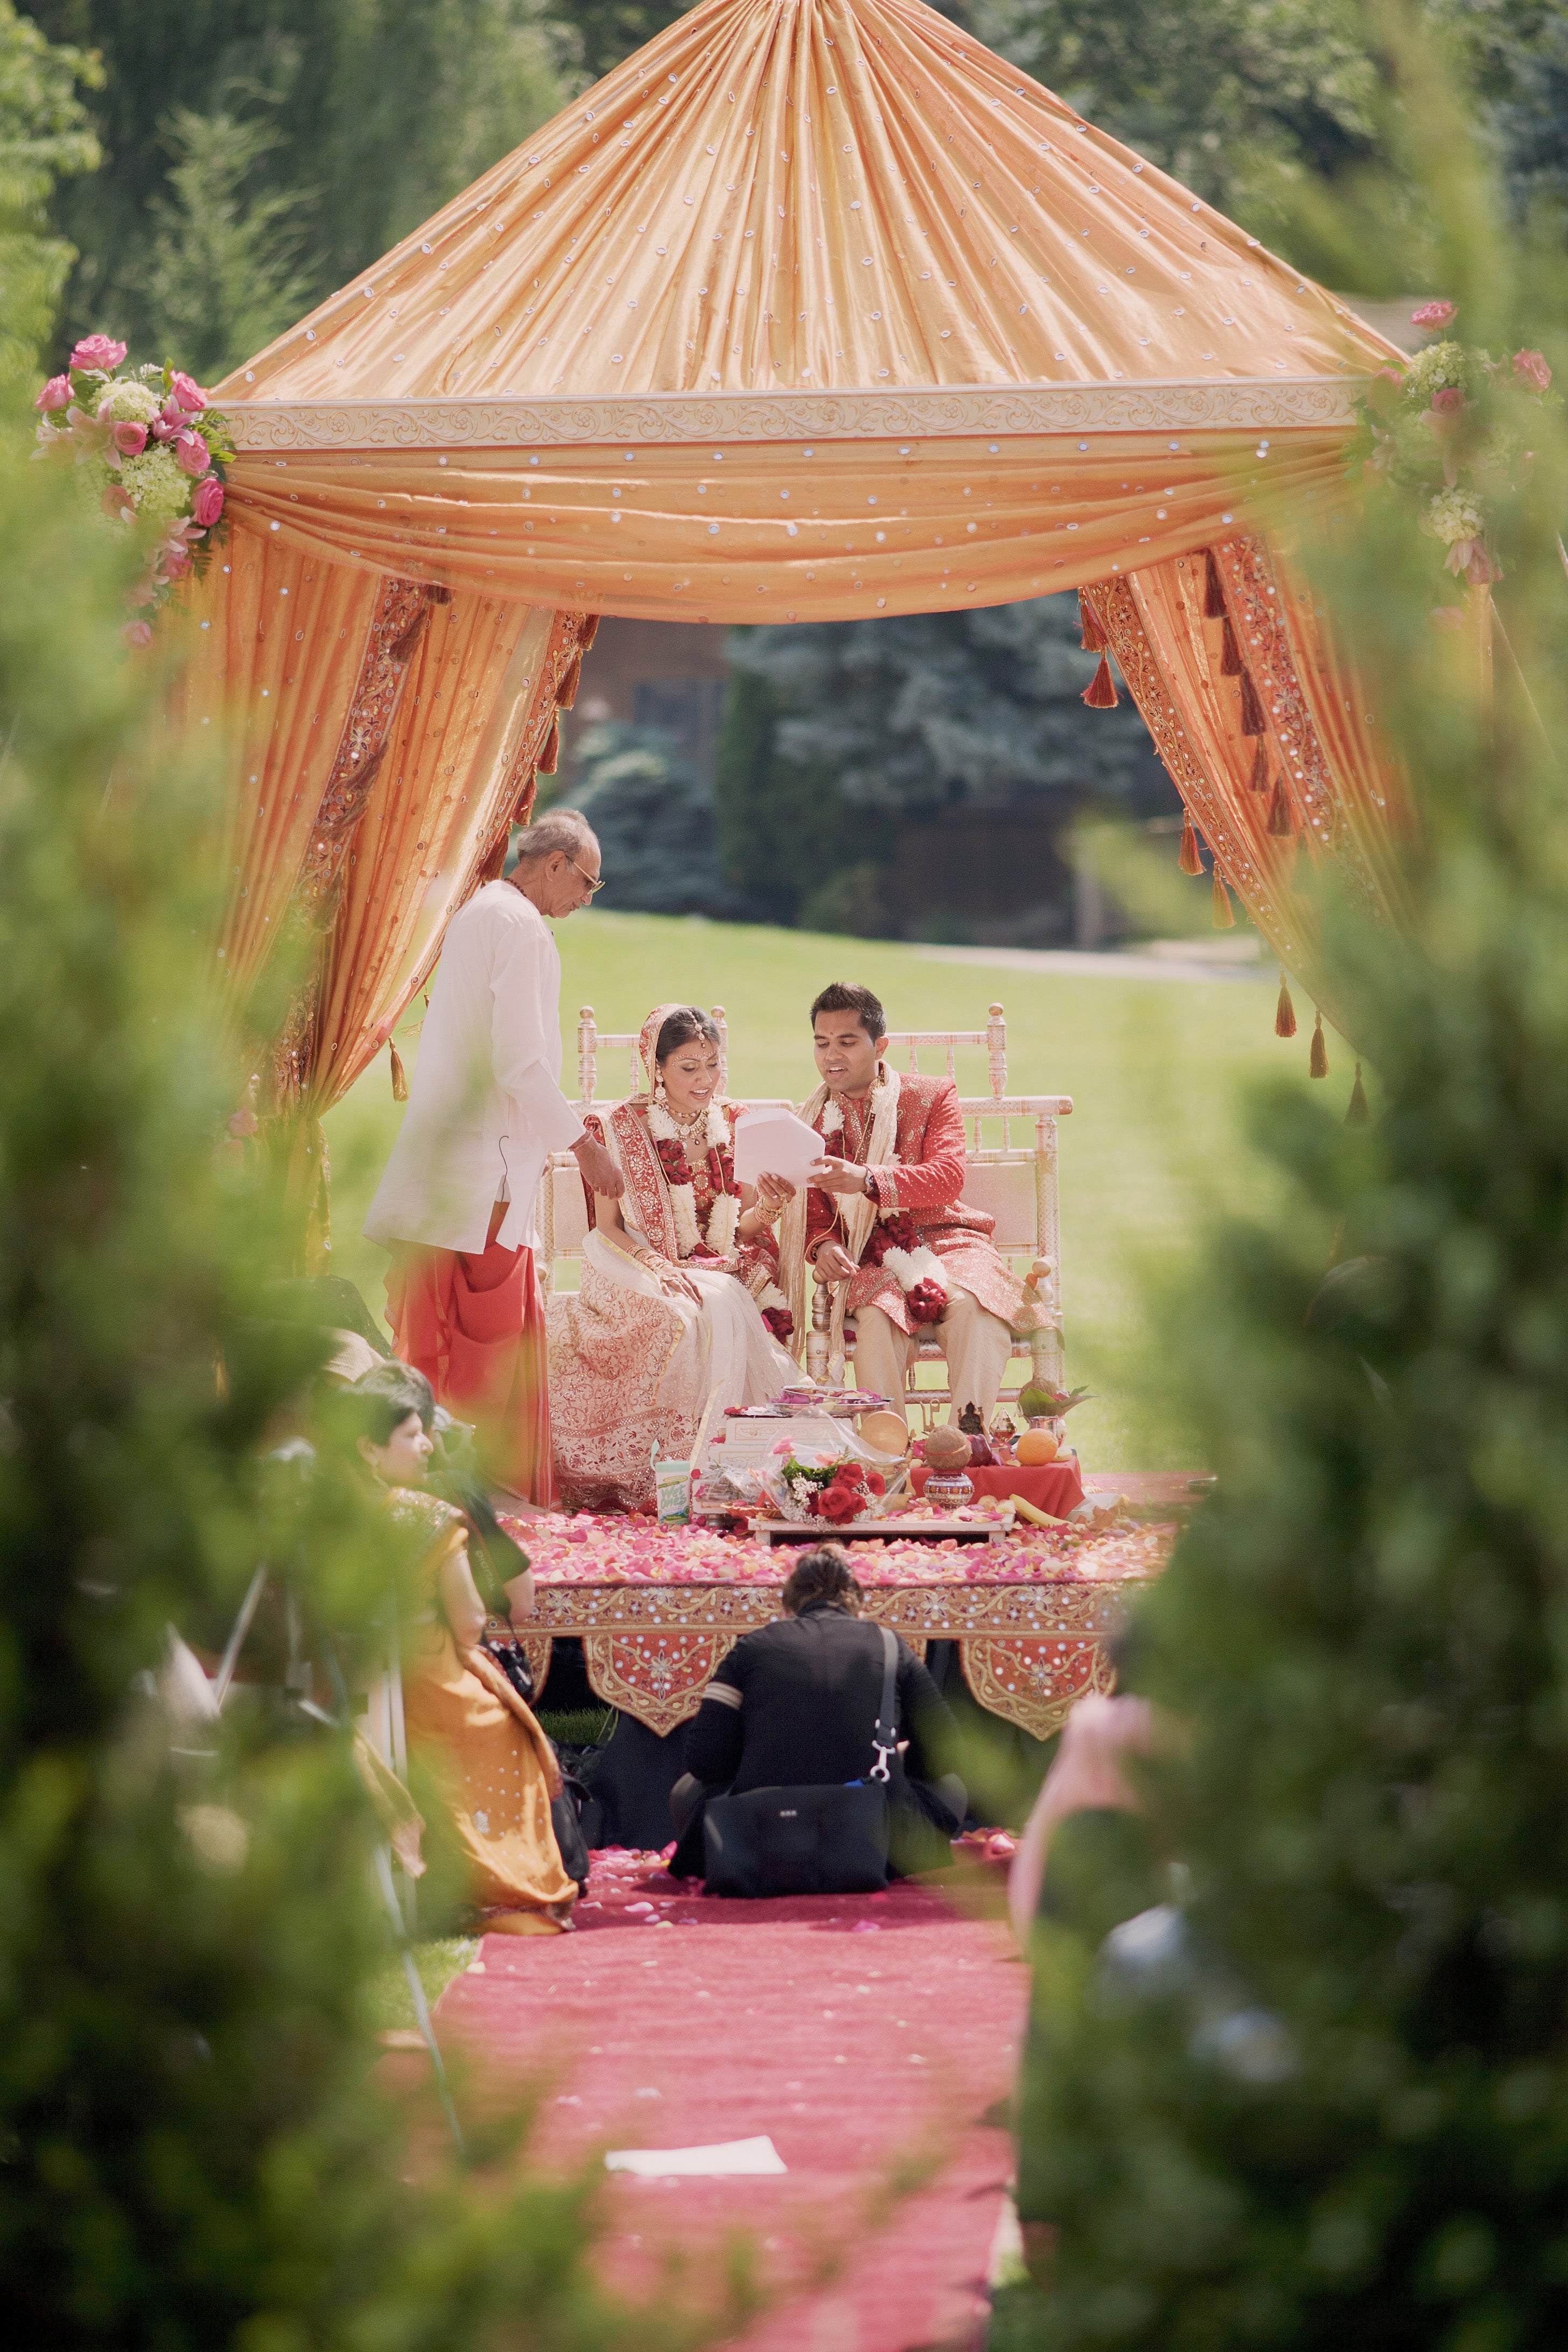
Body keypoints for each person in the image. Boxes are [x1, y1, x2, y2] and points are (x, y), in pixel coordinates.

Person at [363, 809, 625, 1508]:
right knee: (490, 1351)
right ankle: (480, 1497)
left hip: (443, 1167)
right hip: (487, 1174)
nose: (587, 898)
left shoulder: (476, 913)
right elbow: (520, 1064)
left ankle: (411, 1489)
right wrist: (585, 1148)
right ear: (556, 864)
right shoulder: (523, 928)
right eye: (589, 882)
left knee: (430, 1340)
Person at [343, 1363, 577, 1934]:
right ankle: (492, 1881)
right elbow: (471, 1621)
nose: (427, 1444)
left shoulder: (327, 1516)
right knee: (508, 1731)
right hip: (425, 1677)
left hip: (342, 1681)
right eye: (412, 1434)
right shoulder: (426, 1516)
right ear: (369, 1449)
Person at [547, 1003, 800, 1511]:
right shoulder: (616, 1127)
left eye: (713, 1064)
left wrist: (771, 1207)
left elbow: (737, 1230)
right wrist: (659, 1266)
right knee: (694, 1310)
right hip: (627, 1259)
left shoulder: (735, 1123)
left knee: (717, 1298)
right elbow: (608, 1227)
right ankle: (683, 1471)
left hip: (712, 1268)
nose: (705, 1079)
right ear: (657, 1068)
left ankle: (720, 1466)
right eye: (689, 1067)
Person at [779, 981, 1044, 1430]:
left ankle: (965, 1441)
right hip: (871, 1256)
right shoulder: (811, 1121)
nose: (831, 1056)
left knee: (975, 1310)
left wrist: (868, 1179)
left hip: (953, 1243)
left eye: (847, 1042)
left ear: (879, 1046)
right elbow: (817, 1213)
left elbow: (947, 1176)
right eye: (822, 1043)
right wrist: (824, 1247)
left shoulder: (931, 1095)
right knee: (877, 1318)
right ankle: (887, 1449)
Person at [668, 1543, 967, 1881]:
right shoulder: (889, 1646)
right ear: (858, 1604)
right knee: (952, 1787)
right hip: (878, 1840)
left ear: (788, 1605)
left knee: (686, 1791)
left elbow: (705, 1761)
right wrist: (897, 1762)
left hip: (765, 1838)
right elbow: (948, 1750)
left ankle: (734, 1856)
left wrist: (761, 1760)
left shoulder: (752, 1647)